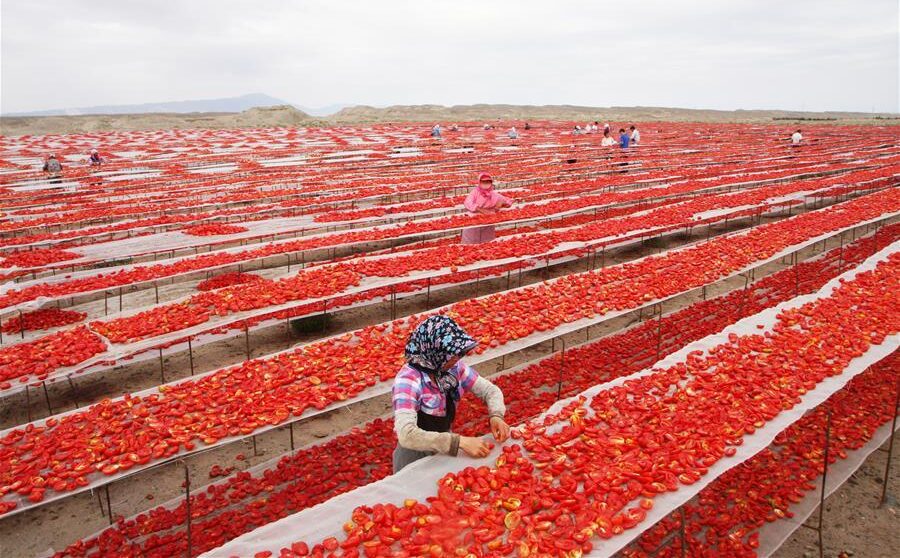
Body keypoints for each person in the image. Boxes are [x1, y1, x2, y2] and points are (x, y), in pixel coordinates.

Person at [392, 315, 509, 473]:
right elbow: (407, 435)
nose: (457, 358)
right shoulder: (408, 380)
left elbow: (490, 391)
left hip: (444, 446)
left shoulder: (452, 368)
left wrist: (496, 415)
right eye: (451, 353)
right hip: (414, 454)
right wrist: (458, 442)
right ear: (434, 350)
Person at [460, 172, 513, 244]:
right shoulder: (475, 193)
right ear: (479, 182)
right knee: (470, 243)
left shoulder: (493, 194)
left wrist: (502, 204)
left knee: (487, 243)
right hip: (474, 219)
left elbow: (509, 201)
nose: (486, 183)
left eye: (488, 181)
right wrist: (483, 211)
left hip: (489, 220)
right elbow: (468, 203)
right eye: (483, 181)